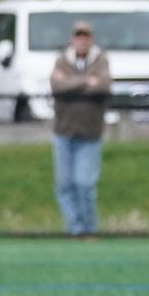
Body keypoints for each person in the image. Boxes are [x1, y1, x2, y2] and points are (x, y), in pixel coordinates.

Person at [49, 20, 111, 237]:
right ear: (72, 39)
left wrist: (72, 82)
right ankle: (75, 229)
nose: (81, 40)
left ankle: (89, 229)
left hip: (90, 134)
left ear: (90, 39)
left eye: (85, 36)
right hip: (63, 132)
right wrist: (87, 82)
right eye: (78, 36)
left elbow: (104, 86)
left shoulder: (100, 60)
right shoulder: (62, 60)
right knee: (64, 185)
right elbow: (56, 86)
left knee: (84, 184)